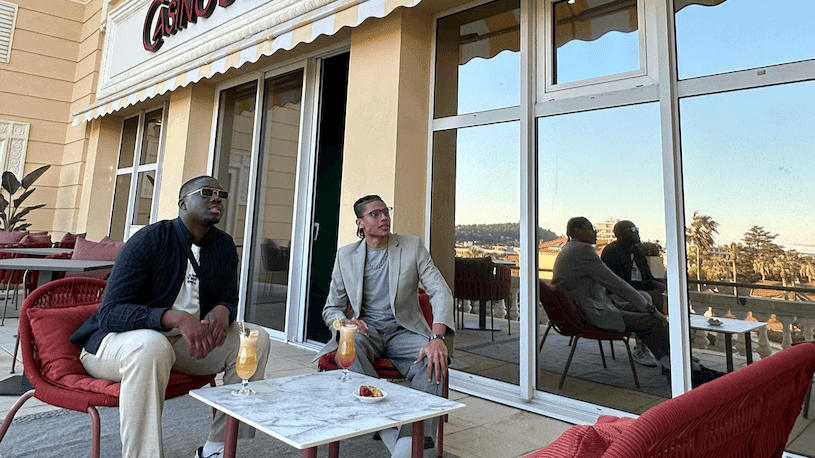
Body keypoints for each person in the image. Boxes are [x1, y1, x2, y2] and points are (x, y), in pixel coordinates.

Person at [70, 175, 271, 458]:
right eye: (206, 192)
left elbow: (228, 297)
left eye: (220, 194)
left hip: (179, 345)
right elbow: (110, 314)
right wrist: (173, 317)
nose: (216, 198)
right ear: (182, 203)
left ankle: (217, 448)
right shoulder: (149, 240)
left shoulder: (224, 246)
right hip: (116, 345)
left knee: (255, 339)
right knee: (152, 346)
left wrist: (222, 310)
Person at [316, 195, 454, 458]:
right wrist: (345, 323)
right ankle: (389, 425)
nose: (384, 218)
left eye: (386, 211)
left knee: (433, 359)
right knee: (350, 345)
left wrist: (437, 336)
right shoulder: (346, 256)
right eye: (375, 214)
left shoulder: (412, 246)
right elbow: (331, 308)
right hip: (367, 332)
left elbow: (440, 291)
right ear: (360, 222)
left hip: (405, 331)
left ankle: (406, 442)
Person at [552, 217, 671, 375]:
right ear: (577, 231)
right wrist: (650, 308)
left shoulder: (569, 249)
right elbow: (616, 283)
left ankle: (665, 359)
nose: (595, 232)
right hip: (590, 312)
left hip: (583, 307)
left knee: (646, 312)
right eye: (590, 228)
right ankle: (671, 363)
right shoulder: (583, 250)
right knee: (653, 320)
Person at [601, 220, 668, 367]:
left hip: (634, 290)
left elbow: (648, 276)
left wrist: (659, 284)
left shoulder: (636, 251)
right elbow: (620, 284)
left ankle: (666, 350)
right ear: (621, 235)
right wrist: (651, 285)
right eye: (632, 229)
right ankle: (641, 348)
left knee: (658, 296)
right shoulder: (611, 252)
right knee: (646, 298)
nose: (637, 232)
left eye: (636, 228)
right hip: (615, 295)